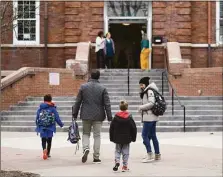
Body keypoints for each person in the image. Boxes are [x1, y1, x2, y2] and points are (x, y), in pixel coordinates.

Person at [72, 70, 113, 164]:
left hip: (86, 114)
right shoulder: (103, 88)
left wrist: (75, 114)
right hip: (99, 115)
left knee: (86, 133)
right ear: (98, 77)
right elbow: (107, 104)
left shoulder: (83, 87)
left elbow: (78, 102)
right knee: (97, 136)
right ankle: (96, 157)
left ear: (90, 76)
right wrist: (110, 117)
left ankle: (86, 148)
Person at [138, 77, 161, 163]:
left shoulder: (149, 91)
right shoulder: (147, 91)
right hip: (151, 117)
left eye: (142, 84)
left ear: (146, 84)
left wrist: (141, 107)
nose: (140, 86)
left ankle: (149, 154)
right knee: (153, 135)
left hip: (149, 117)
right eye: (140, 85)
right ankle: (157, 154)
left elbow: (151, 103)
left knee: (144, 135)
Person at [109, 101, 137, 172]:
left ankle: (117, 161)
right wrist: (133, 138)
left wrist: (112, 137)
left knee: (117, 150)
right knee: (125, 152)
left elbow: (111, 128)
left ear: (120, 107)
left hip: (117, 137)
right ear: (127, 107)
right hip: (127, 138)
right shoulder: (129, 117)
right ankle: (124, 166)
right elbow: (133, 128)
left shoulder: (116, 117)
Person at [35, 94, 64, 160]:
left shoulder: (40, 108)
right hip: (50, 126)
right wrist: (61, 124)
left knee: (43, 139)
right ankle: (48, 153)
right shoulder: (52, 108)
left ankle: (44, 149)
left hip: (42, 126)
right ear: (50, 100)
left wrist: (37, 125)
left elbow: (37, 117)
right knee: (49, 140)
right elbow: (57, 117)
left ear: (44, 100)